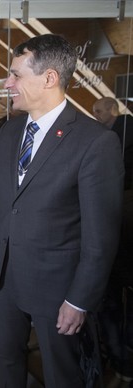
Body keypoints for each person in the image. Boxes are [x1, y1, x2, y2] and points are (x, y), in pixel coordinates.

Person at [0, 34, 124, 388]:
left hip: (58, 289)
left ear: (49, 78)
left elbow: (101, 239)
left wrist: (79, 300)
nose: (8, 83)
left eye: (16, 75)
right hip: (3, 277)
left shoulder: (96, 143)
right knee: (8, 360)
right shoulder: (9, 131)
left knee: (62, 375)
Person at [93, 96, 133, 383]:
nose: (93, 116)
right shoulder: (116, 132)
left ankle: (121, 361)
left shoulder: (116, 136)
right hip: (121, 221)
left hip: (120, 221)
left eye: (97, 111)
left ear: (112, 111)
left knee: (111, 298)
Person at [93, 96, 133, 189]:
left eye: (98, 111)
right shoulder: (104, 130)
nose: (94, 115)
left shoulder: (128, 126)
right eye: (94, 112)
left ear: (112, 109)